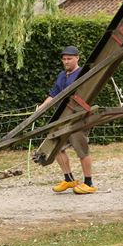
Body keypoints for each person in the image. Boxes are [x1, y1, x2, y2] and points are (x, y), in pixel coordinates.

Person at [38, 45, 97, 194]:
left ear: (77, 58)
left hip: (77, 117)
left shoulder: (83, 74)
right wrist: (42, 108)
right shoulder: (61, 75)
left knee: (82, 150)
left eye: (69, 59)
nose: (66, 62)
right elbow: (54, 95)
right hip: (62, 118)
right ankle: (69, 179)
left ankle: (88, 183)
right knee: (56, 148)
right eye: (64, 59)